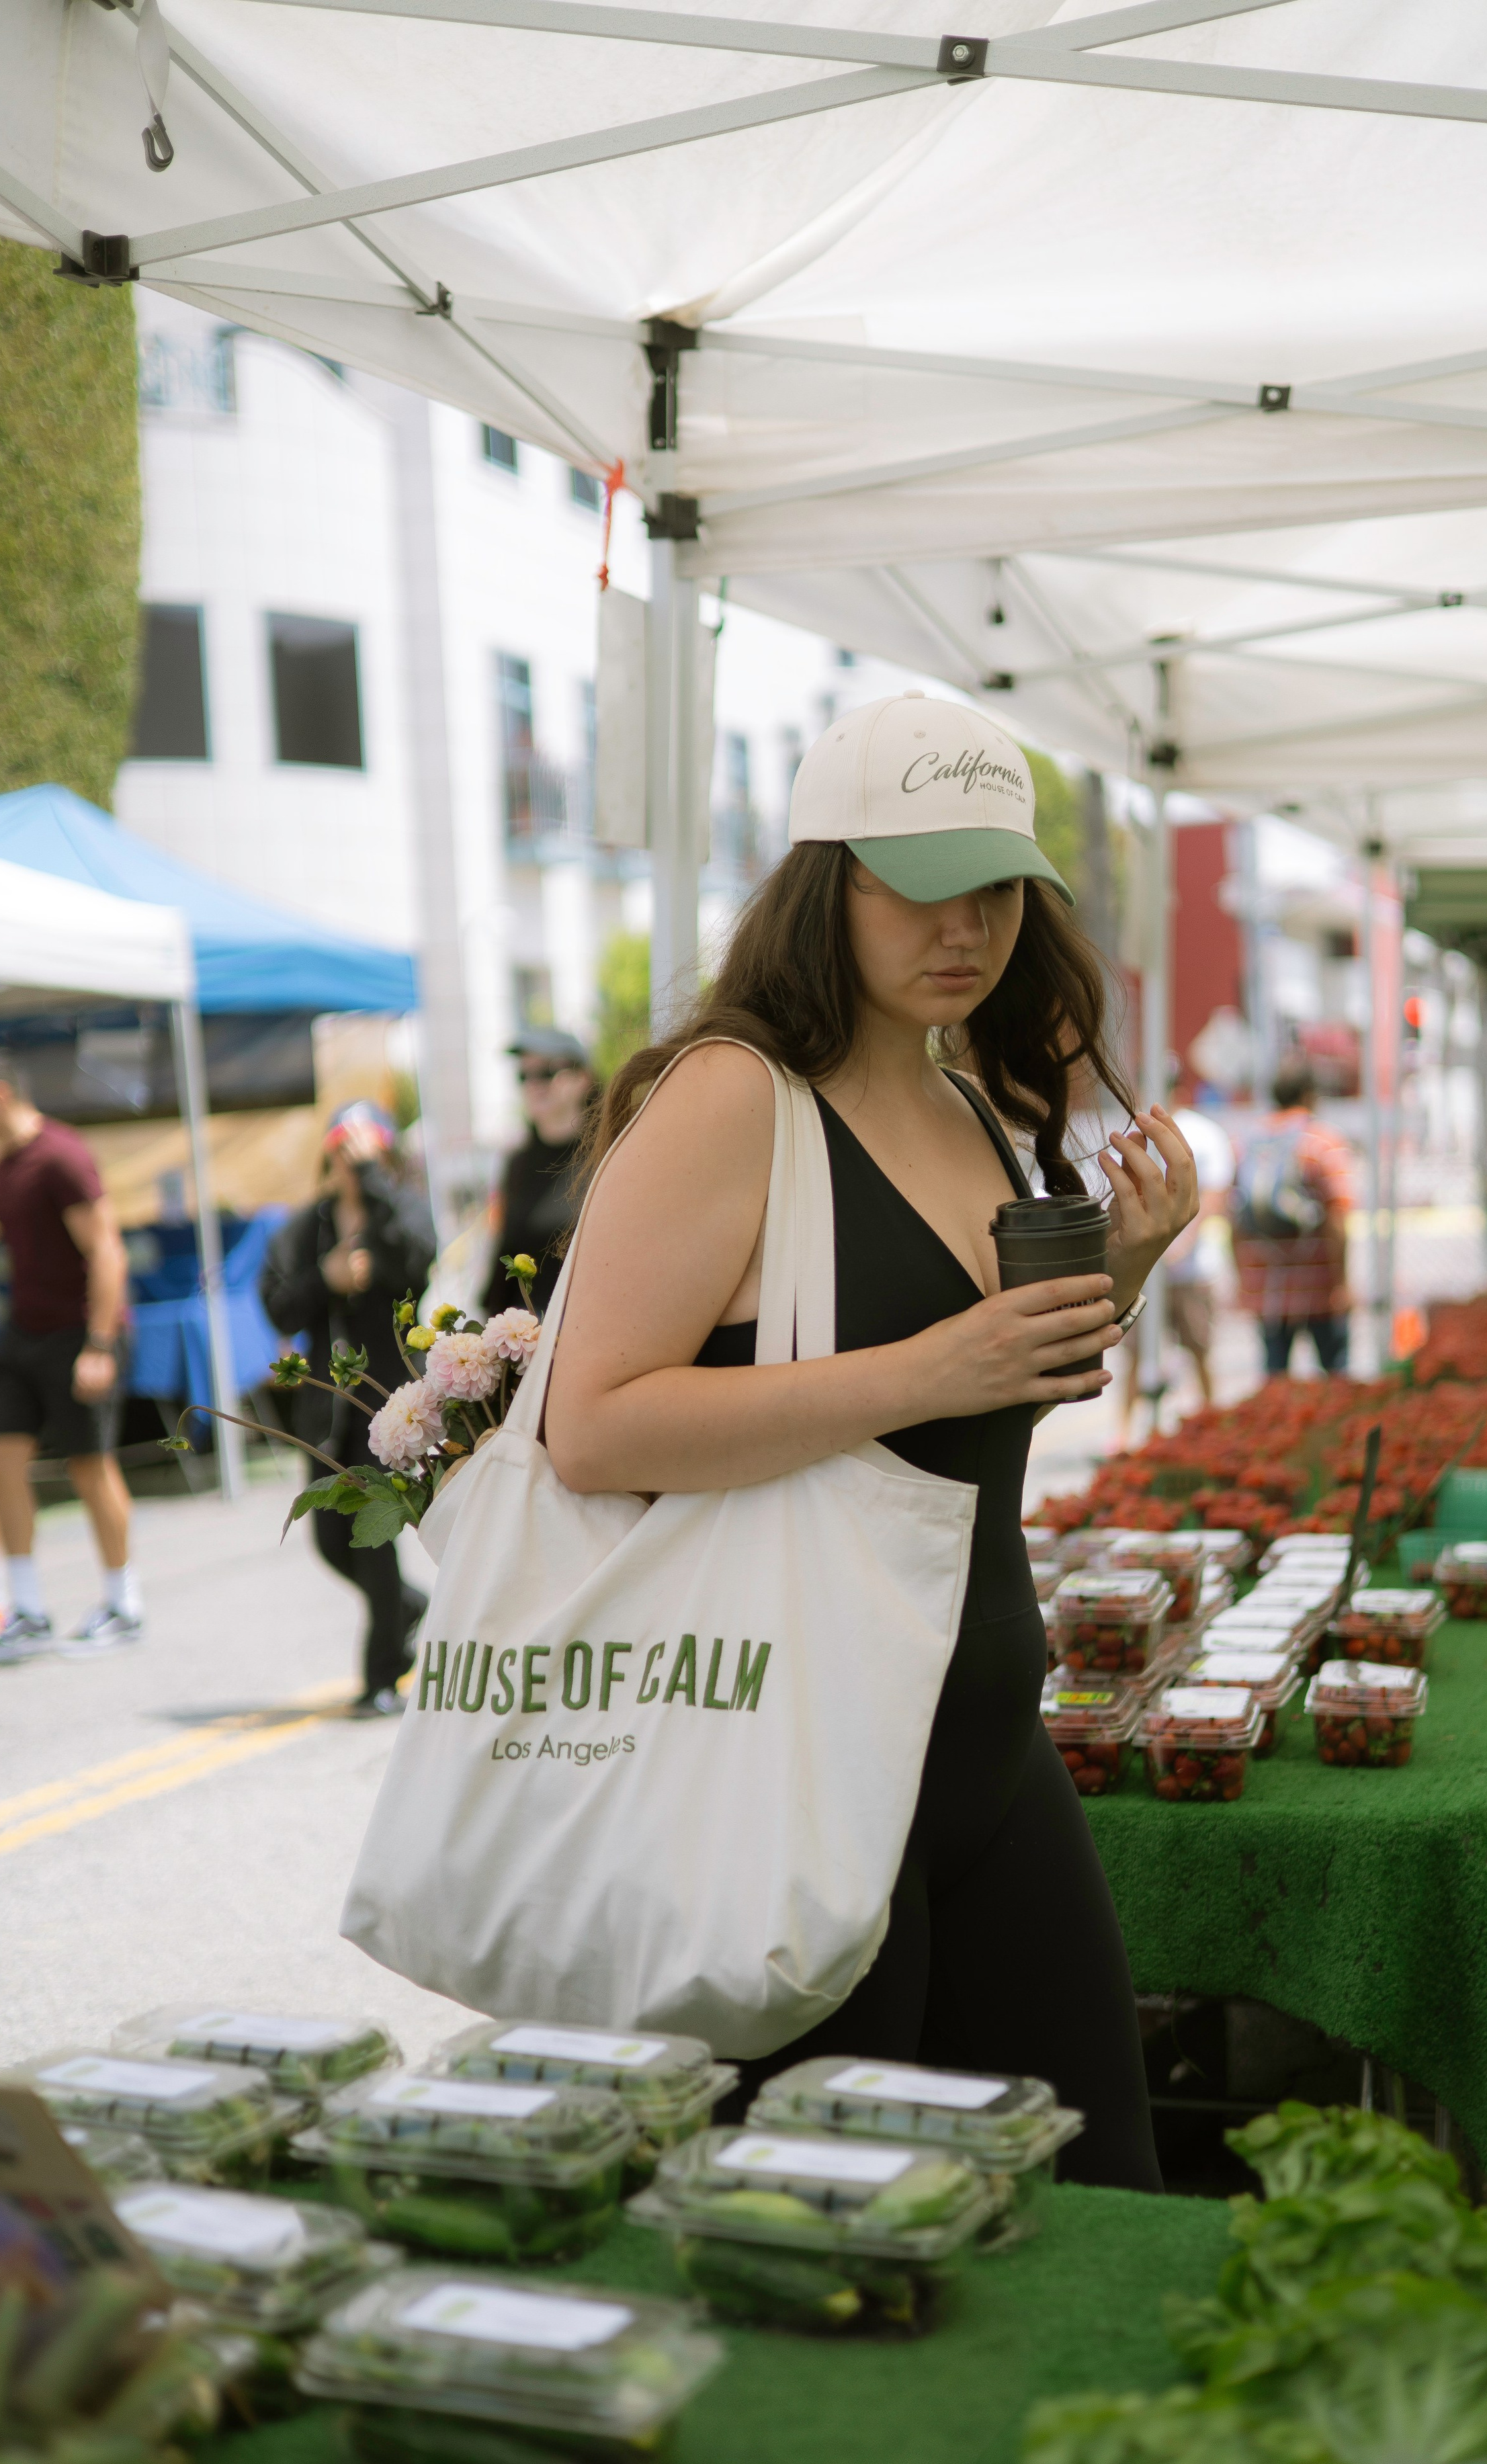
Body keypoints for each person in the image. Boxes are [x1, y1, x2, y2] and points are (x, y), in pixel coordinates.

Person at [545, 692, 1199, 2190]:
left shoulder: (969, 1101)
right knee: (835, 2242)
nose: (961, 924)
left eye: (993, 887)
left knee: (1099, 2188)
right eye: (914, 883)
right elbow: (591, 1426)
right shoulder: (729, 1098)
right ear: (817, 883)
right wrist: (924, 1364)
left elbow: (972, 1407)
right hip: (797, 1756)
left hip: (977, 1735)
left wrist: (1123, 1270)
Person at [261, 1101, 437, 1715]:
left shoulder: (401, 1211)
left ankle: (382, 1675)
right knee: (331, 1541)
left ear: (386, 1159)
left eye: (364, 1158)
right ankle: (406, 1609)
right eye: (342, 1156)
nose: (350, 1169)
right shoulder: (308, 1226)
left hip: (387, 1409)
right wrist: (326, 1277)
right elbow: (278, 1304)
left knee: (372, 1538)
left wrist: (375, 1188)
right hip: (325, 1413)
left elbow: (419, 1261)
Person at [0, 1052, 141, 1660]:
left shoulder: (62, 1156)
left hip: (80, 1332)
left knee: (90, 1468)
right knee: (0, 1464)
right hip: (22, 1332)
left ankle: (124, 1604)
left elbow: (107, 1252)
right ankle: (27, 1610)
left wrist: (99, 1344)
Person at [1123, 1067, 1234, 1422]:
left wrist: (1182, 1242)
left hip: (1189, 1267)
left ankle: (1210, 1422)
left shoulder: (1201, 1132)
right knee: (1137, 1355)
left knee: (1198, 1349)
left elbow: (1215, 1195)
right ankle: (1123, 1434)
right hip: (1147, 1268)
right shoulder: (1133, 1131)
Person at [1232, 1058, 1355, 1377]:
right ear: (1309, 1094)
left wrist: (1241, 1281)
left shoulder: (1248, 1144)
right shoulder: (1323, 1142)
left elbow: (1236, 1218)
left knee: (1276, 1384)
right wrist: (1342, 1283)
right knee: (1335, 1379)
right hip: (1320, 1287)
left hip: (1267, 1287)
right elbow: (1337, 1219)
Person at [480, 1031, 595, 1318]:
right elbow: (504, 1251)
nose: (534, 1085)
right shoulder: (517, 1163)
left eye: (547, 1072)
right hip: (525, 1339)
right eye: (524, 1076)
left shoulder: (607, 1155)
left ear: (582, 1079)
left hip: (587, 1328)